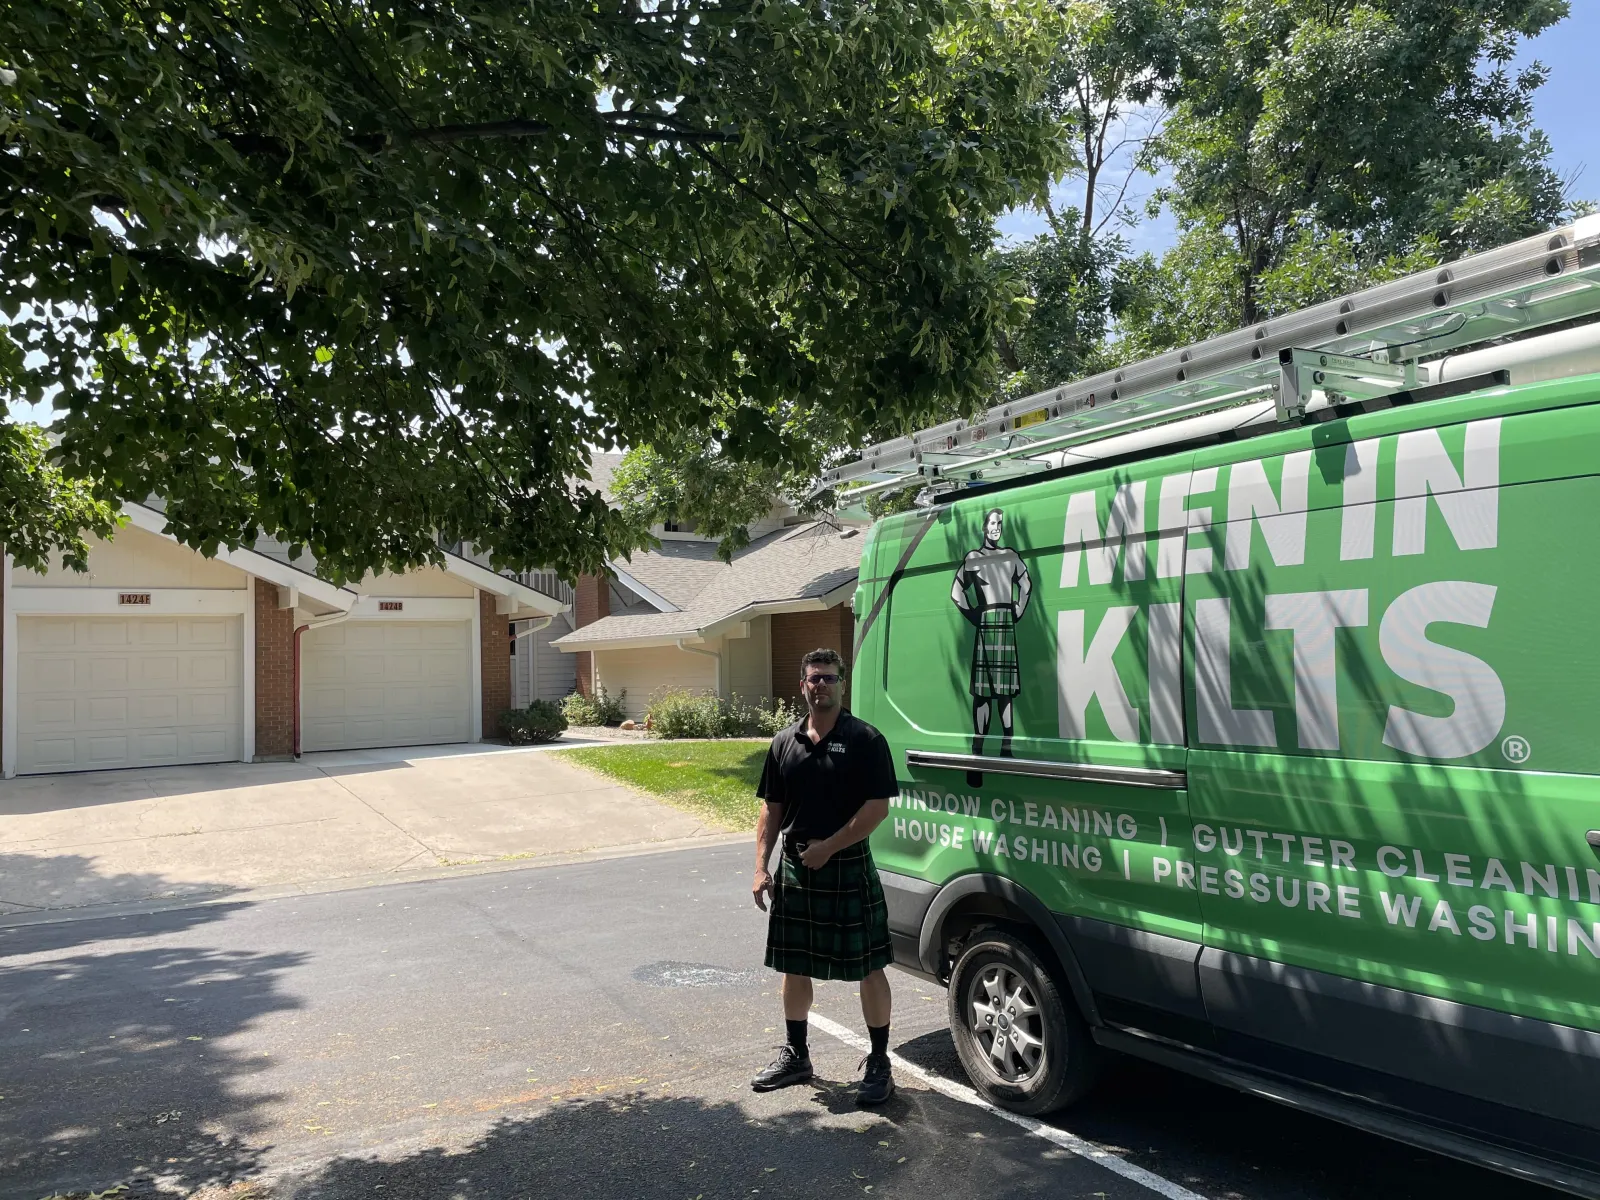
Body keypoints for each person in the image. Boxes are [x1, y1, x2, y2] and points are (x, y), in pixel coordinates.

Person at [750, 647, 897, 1105]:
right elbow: (771, 810)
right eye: (814, 678)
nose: (822, 685)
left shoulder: (866, 740)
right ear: (802, 685)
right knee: (794, 965)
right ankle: (797, 1054)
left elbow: (877, 808)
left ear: (842, 684)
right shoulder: (784, 742)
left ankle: (878, 1062)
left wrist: (829, 848)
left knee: (869, 967)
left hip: (846, 867)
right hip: (795, 868)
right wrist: (760, 866)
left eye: (830, 678)